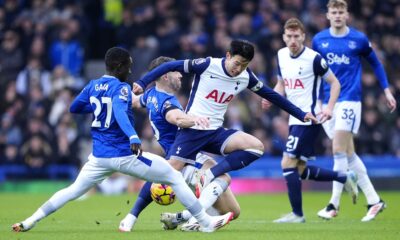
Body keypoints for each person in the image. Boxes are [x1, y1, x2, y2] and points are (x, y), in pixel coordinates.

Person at [11, 47, 233, 233]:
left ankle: (30, 220)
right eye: (129, 65)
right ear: (120, 67)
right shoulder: (121, 88)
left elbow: (74, 107)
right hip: (124, 155)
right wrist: (133, 136)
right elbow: (118, 110)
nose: (131, 69)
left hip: (98, 157)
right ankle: (205, 222)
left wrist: (98, 106)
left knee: (72, 191)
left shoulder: (93, 85)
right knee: (174, 176)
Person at [132, 39, 318, 229]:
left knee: (256, 148)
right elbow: (171, 65)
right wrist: (142, 81)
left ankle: (192, 205)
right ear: (228, 55)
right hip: (192, 132)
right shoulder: (207, 65)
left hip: (215, 132)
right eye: (237, 63)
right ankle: (133, 216)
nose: (239, 69)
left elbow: (272, 95)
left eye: (244, 65)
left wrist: (301, 114)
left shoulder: (246, 76)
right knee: (167, 172)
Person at [119, 56, 240, 232]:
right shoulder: (168, 102)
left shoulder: (151, 94)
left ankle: (172, 218)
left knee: (233, 211)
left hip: (175, 156)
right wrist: (194, 119)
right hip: (186, 156)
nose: (181, 75)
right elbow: (175, 117)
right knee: (224, 177)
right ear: (165, 76)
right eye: (177, 72)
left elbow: (135, 101)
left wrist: (117, 90)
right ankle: (195, 222)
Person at [262, 18, 358, 223]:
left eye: (297, 36)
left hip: (309, 119)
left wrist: (329, 107)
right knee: (300, 170)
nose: (293, 40)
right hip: (294, 120)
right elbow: (281, 84)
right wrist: (271, 98)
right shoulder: (280, 55)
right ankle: (343, 177)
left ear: (304, 37)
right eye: (289, 36)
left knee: (287, 162)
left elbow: (335, 83)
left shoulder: (314, 59)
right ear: (283, 37)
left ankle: (297, 215)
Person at [312, 0, 397, 222]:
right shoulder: (319, 40)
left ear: (347, 15)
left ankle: (333, 204)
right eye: (334, 12)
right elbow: (315, 72)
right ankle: (374, 200)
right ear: (328, 15)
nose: (338, 15)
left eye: (341, 12)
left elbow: (376, 64)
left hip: (350, 100)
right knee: (348, 155)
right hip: (329, 102)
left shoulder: (358, 39)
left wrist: (386, 91)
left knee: (338, 149)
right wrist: (317, 101)